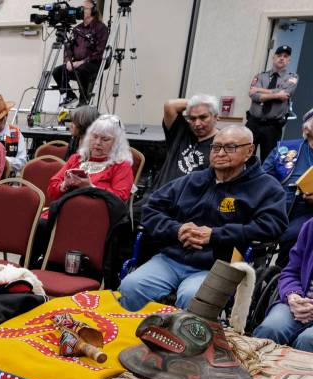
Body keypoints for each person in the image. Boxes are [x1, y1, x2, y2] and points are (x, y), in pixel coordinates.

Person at [118, 126, 287, 311]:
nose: (220, 153)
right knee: (131, 286)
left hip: (217, 266)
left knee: (193, 297)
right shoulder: (192, 180)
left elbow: (273, 225)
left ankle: (177, 339)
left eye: (230, 147)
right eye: (216, 147)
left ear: (249, 151)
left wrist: (215, 235)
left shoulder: (266, 188)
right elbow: (150, 208)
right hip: (170, 258)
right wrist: (177, 229)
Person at [261, 109, 313, 264]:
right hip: (276, 207)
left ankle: (284, 275)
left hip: (307, 212)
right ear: (307, 128)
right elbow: (262, 178)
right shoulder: (285, 149)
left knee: (296, 234)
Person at [252, 219, 313, 351]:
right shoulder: (310, 226)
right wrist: (293, 295)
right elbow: (290, 272)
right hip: (301, 301)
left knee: (307, 340)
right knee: (270, 329)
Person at [47, 114, 134, 203]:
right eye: (95, 136)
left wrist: (90, 187)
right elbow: (51, 190)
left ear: (116, 143)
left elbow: (120, 199)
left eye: (105, 139)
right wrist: (64, 185)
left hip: (97, 214)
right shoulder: (77, 158)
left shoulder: (121, 165)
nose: (98, 142)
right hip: (65, 211)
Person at [152, 94, 219, 192]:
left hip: (187, 203)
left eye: (203, 117)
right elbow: (170, 105)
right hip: (157, 196)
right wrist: (198, 103)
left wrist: (207, 104)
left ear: (215, 117)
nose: (197, 123)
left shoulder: (221, 143)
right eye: (192, 118)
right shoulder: (182, 132)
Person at [51, 0, 108, 107]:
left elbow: (100, 52)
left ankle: (84, 100)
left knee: (81, 70)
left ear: (93, 11)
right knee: (57, 71)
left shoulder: (101, 28)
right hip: (77, 64)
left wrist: (81, 62)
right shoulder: (77, 29)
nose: (81, 10)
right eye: (81, 7)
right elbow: (68, 47)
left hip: (93, 63)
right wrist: (68, 61)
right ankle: (69, 95)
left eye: (85, 8)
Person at [247, 45, 299, 161]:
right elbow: (253, 95)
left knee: (269, 160)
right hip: (253, 123)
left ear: (289, 60)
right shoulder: (260, 76)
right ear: (273, 57)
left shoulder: (292, 77)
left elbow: (285, 94)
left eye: (285, 56)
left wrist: (260, 90)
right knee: (245, 157)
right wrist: (277, 94)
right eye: (279, 55)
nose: (282, 58)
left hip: (272, 126)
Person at [0, 93, 26, 175]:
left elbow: (22, 162)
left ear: (6, 117)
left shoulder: (15, 133)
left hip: (9, 181)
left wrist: (1, 159)